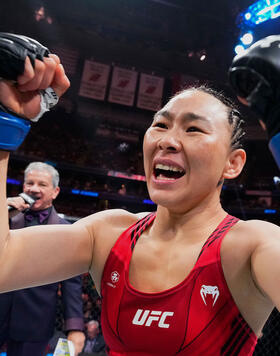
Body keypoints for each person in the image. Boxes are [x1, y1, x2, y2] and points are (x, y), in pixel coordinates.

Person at [1, 34, 280, 356]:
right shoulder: (107, 233)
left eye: (193, 129)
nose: (168, 140)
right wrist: (5, 123)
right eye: (160, 125)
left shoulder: (253, 245)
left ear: (233, 164)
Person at [0, 162, 85, 356]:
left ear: (55, 191)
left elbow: (72, 283)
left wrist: (75, 327)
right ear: (23, 187)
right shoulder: (6, 218)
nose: (34, 188)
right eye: (29, 183)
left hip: (35, 321)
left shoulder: (66, 231)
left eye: (42, 184)